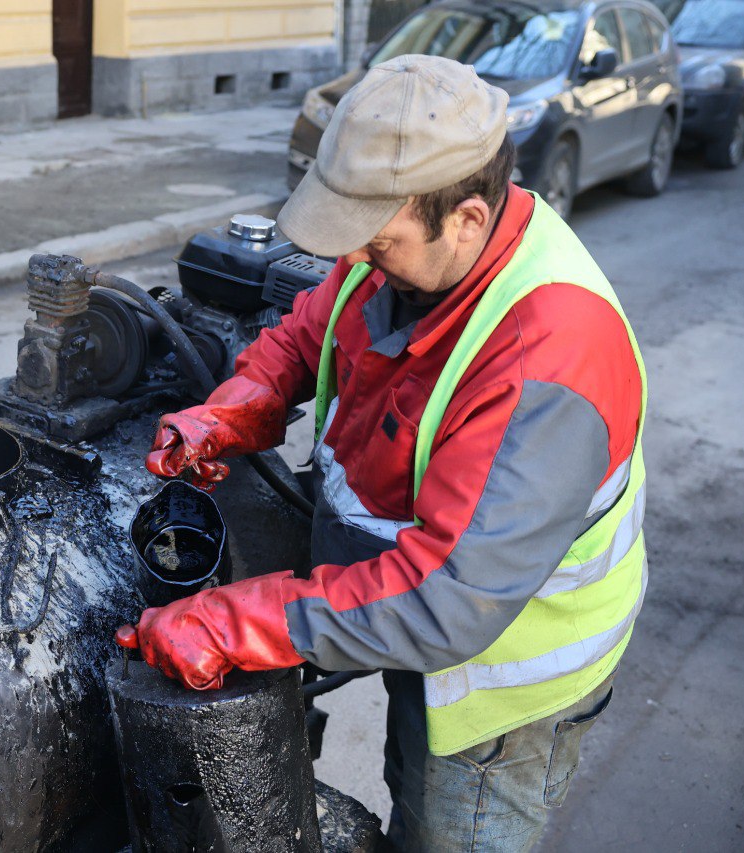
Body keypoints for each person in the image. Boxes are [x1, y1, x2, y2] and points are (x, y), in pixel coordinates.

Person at [120, 54, 647, 851]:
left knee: (440, 827)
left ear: (466, 218)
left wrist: (231, 623)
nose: (359, 257)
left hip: (501, 693)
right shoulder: (410, 253)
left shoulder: (546, 359)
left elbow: (447, 603)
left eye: (378, 241)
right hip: (414, 607)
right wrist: (230, 410)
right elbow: (310, 331)